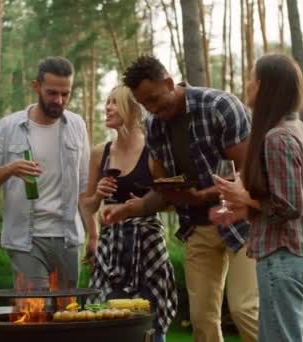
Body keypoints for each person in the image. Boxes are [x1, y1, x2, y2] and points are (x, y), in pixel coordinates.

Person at [102, 55, 259, 342]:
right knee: (202, 321)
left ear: (170, 83)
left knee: (245, 310)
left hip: (242, 222)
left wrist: (203, 194)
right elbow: (164, 191)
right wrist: (131, 209)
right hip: (198, 227)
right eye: (144, 103)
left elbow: (251, 175)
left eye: (154, 98)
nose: (151, 108)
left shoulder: (218, 106)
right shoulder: (154, 127)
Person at [210, 53, 303, 342]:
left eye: (251, 80)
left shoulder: (278, 137)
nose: (247, 86)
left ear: (263, 87)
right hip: (287, 256)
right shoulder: (295, 130)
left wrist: (244, 198)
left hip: (282, 257)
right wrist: (245, 202)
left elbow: (290, 206)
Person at [0, 56, 95, 292]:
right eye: (52, 93)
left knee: (65, 317)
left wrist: (94, 235)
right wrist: (9, 169)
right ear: (36, 86)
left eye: (65, 94)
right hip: (25, 241)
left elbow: (84, 187)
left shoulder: (77, 125)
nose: (59, 100)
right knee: (34, 315)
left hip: (69, 238)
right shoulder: (8, 127)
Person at [80, 85, 177, 342]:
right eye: (107, 101)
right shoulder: (100, 153)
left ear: (133, 110)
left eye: (115, 102)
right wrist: (99, 195)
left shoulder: (152, 151)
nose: (107, 107)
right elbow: (86, 206)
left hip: (147, 244)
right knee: (105, 319)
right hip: (110, 247)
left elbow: (169, 199)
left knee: (150, 319)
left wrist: (141, 205)